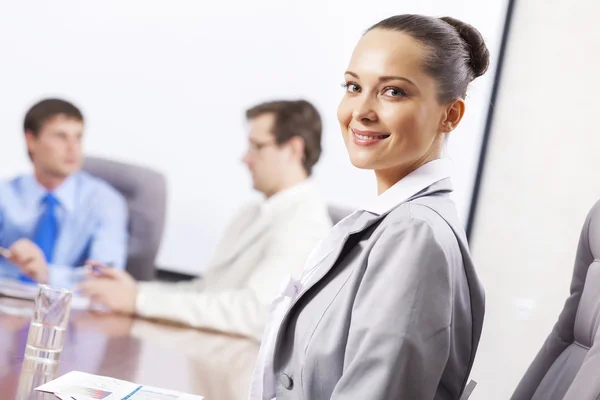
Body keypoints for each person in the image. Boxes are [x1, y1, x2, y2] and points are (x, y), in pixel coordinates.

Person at [248, 14, 489, 400]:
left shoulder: (414, 237)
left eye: (393, 92)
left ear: (450, 115)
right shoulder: (394, 224)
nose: (361, 110)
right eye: (353, 86)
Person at [79, 99, 333, 340]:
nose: (245, 158)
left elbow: (254, 312)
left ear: (293, 149)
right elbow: (208, 292)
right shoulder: (251, 212)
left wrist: (138, 301)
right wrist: (136, 291)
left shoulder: (305, 223)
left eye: (256, 146)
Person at [0, 99, 128, 287]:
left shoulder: (105, 201)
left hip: (69, 310)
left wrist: (47, 274)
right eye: (60, 136)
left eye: (78, 137)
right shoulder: (5, 194)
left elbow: (108, 281)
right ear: (31, 140)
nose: (72, 148)